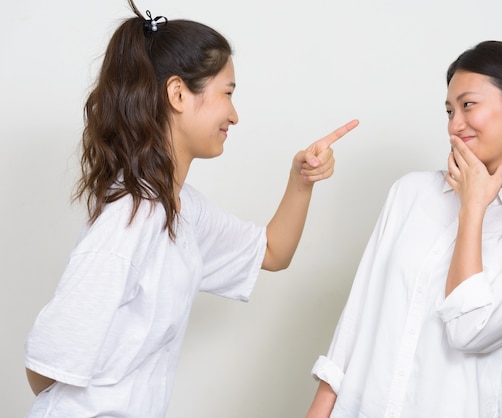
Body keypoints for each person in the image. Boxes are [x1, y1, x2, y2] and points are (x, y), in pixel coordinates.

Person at [23, 1, 358, 416]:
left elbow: (272, 252)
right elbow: (44, 370)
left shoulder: (180, 210)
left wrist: (301, 180)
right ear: (178, 94)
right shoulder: (131, 216)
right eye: (227, 94)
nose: (234, 115)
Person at [306, 40, 502, 418]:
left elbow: (469, 332)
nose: (454, 124)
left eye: (468, 105)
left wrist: (473, 208)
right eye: (449, 110)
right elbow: (359, 315)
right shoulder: (411, 192)